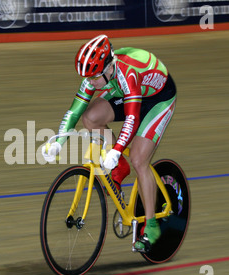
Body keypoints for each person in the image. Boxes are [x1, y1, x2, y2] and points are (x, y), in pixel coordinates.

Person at [42, 35, 177, 252]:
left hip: (158, 99)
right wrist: (59, 140)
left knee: (139, 159)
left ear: (108, 67)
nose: (90, 82)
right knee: (90, 118)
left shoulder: (128, 73)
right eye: (87, 77)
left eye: (94, 77)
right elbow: (75, 111)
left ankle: (151, 227)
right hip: (128, 90)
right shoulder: (101, 74)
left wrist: (115, 150)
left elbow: (132, 120)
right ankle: (120, 166)